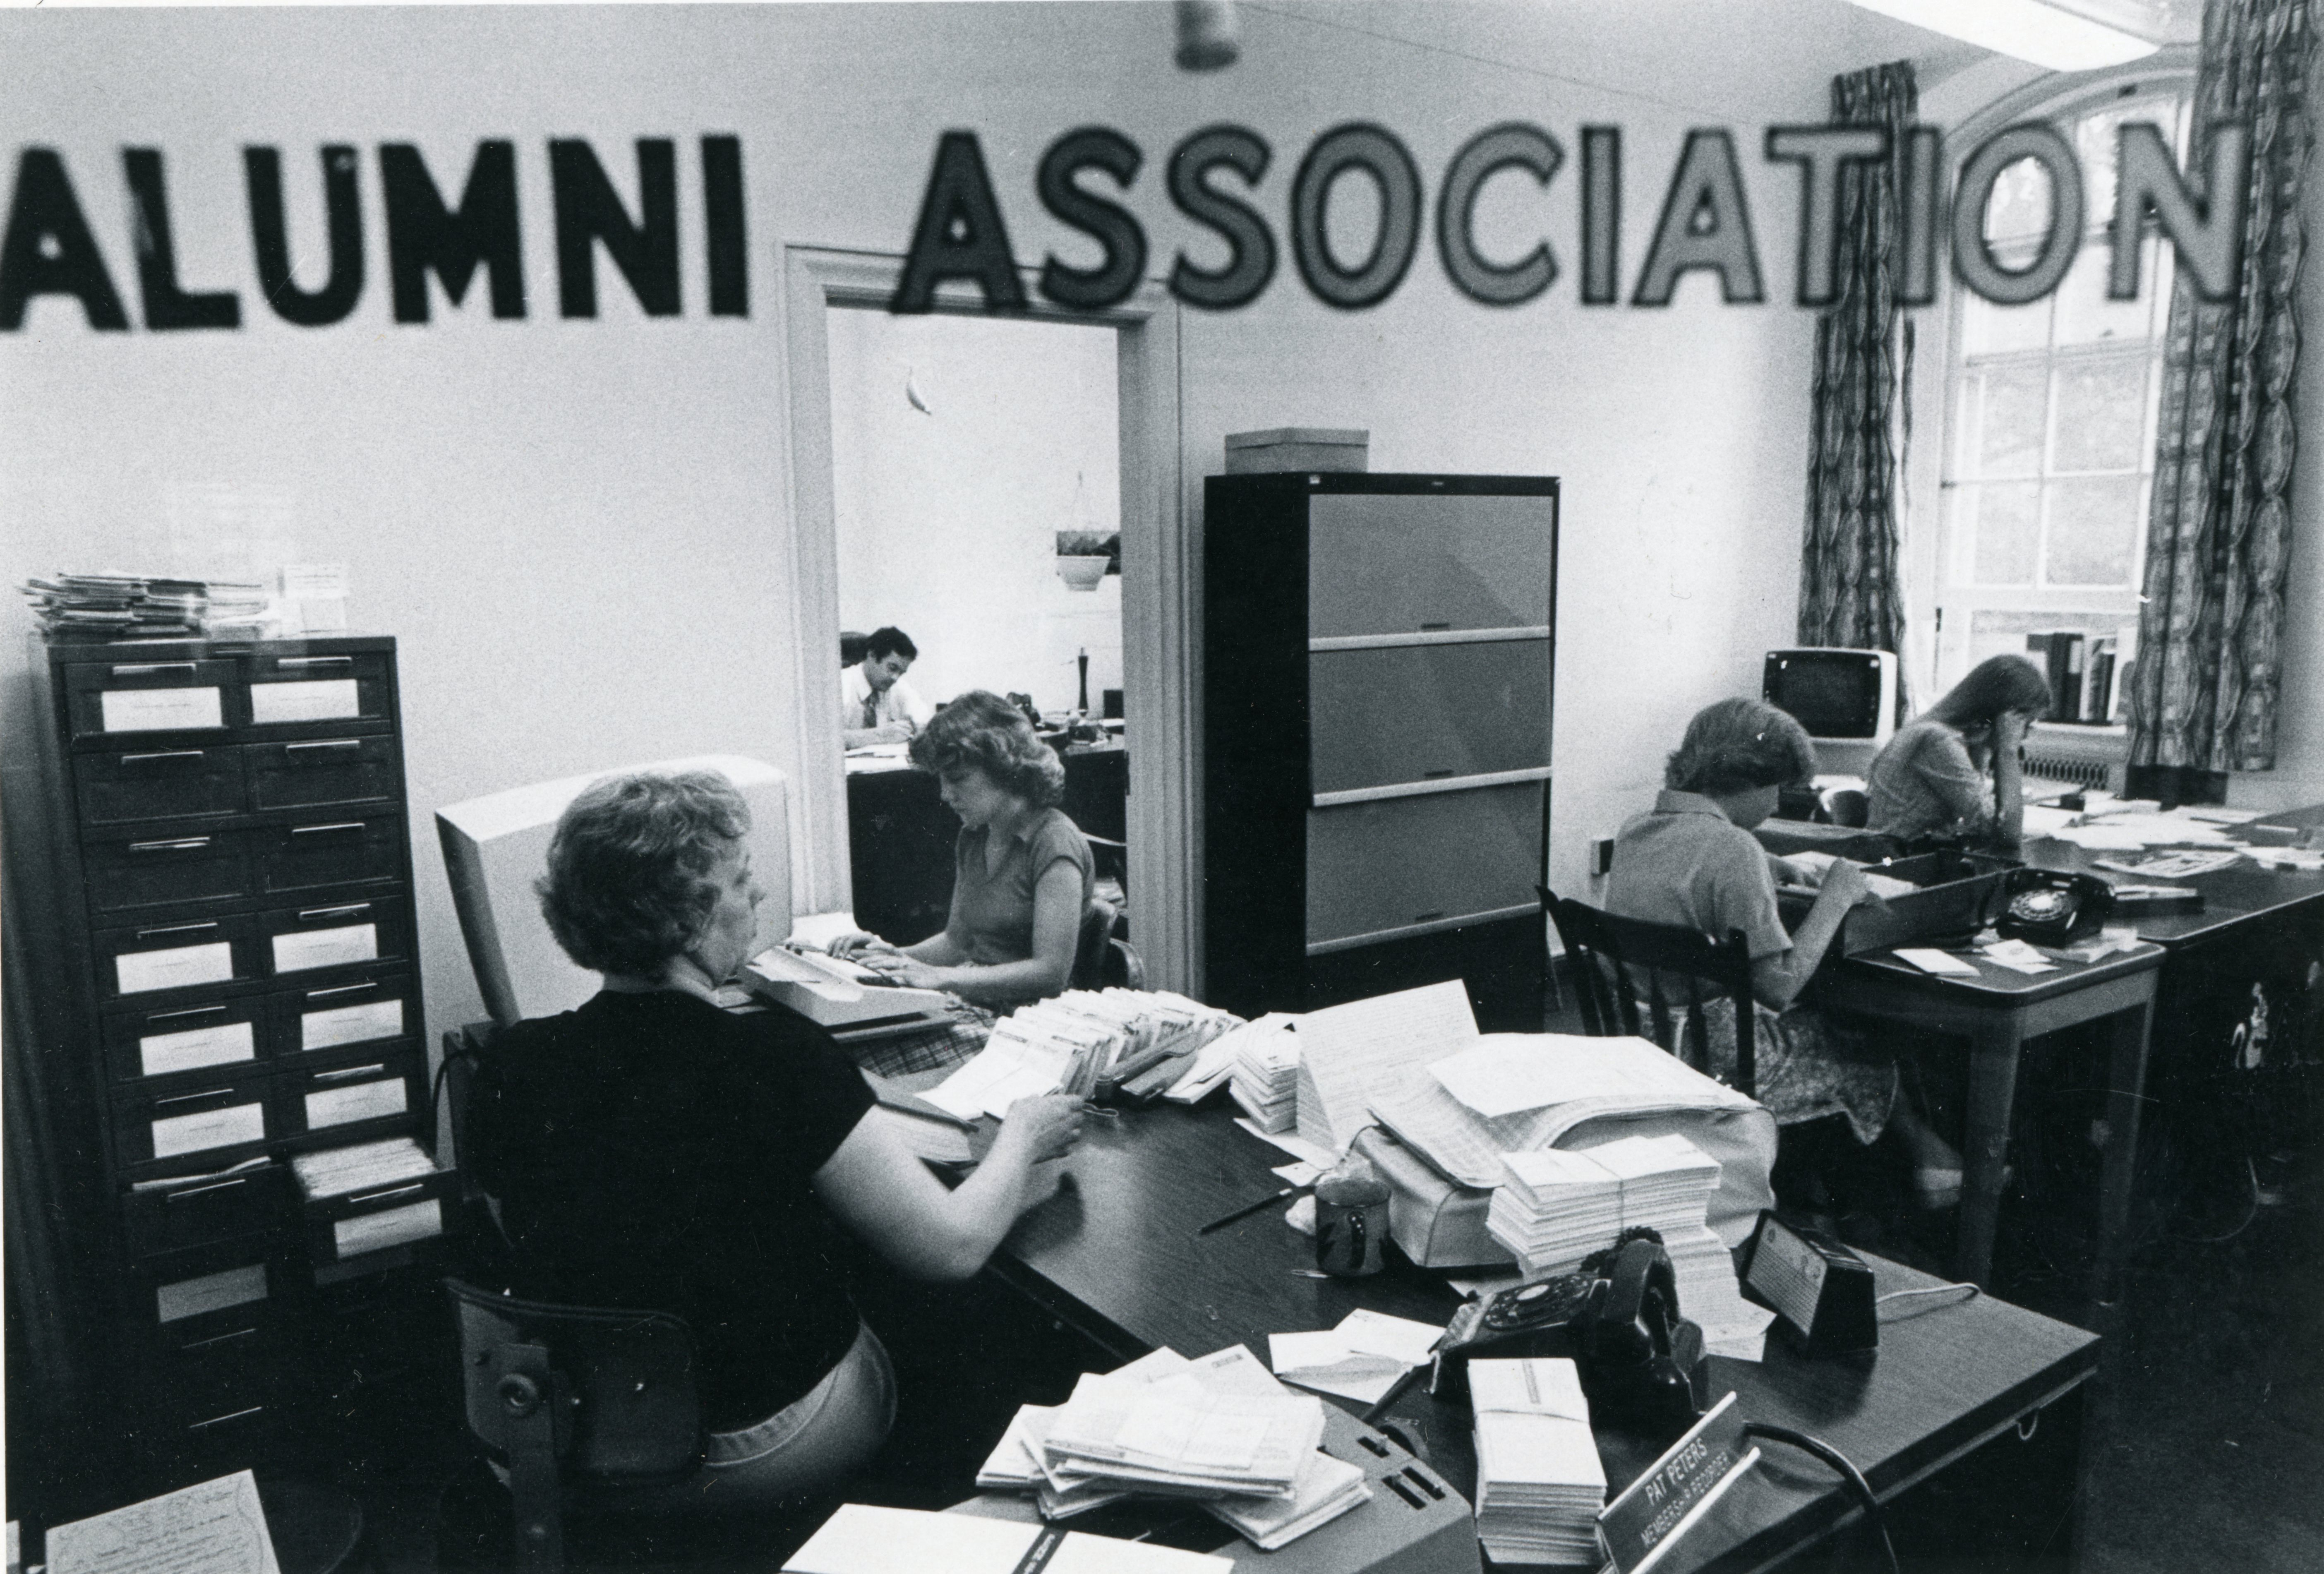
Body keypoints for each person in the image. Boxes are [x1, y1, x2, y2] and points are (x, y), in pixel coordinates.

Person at [470, 769, 1085, 1509]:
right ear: (688, 919)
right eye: (741, 879)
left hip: (568, 1430)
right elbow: (948, 1246)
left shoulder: (510, 1060)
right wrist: (1022, 1134)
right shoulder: (776, 1055)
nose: (756, 897)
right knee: (937, 1317)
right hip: (750, 1443)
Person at [1605, 698, 1962, 1207]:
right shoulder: (1734, 849)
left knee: (1822, 1026)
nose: (1776, 805)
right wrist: (1836, 898)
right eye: (1776, 789)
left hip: (1645, 1041)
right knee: (1863, 1047)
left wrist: (1771, 862)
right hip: (1717, 1062)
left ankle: (1822, 1180)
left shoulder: (1638, 827)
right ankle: (1911, 1179)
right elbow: (1778, 988)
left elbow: (1692, 868)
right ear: (1746, 778)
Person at [831, 690, 1094, 1010]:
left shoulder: (1053, 842)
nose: (944, 794)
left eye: (957, 779)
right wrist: (890, 955)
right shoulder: (974, 836)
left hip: (1027, 1018)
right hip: (976, 999)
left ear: (1004, 767)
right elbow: (956, 942)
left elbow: (1050, 973)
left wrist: (942, 978)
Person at [1865, 653, 2054, 848]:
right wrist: (2008, 751)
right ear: (2000, 715)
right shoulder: (1938, 740)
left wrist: (1993, 749)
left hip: (1915, 853)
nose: (2025, 735)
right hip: (1895, 859)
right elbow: (2007, 836)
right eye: (2027, 723)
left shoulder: (1967, 741)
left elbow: (1988, 822)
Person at [842, 626, 933, 748]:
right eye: (892, 668)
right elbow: (827, 739)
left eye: (901, 673)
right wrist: (879, 736)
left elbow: (923, 718)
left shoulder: (897, 686)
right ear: (872, 655)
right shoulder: (840, 685)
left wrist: (920, 730)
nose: (896, 678)